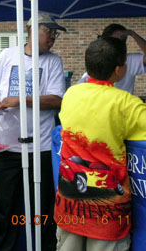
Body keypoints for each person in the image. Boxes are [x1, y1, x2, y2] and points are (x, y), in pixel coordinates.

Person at [0, 12, 66, 251]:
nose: (53, 37)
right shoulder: (7, 54)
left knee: (42, 210)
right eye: (49, 30)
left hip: (39, 147)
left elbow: (57, 100)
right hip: (6, 146)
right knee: (5, 209)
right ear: (32, 30)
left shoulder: (53, 61)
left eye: (55, 33)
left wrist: (21, 99)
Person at [55, 37, 146, 251]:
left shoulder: (70, 94)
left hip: (69, 207)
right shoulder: (127, 103)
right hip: (109, 213)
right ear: (118, 70)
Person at [78, 23, 146, 94]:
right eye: (113, 41)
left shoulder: (129, 60)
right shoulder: (84, 81)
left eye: (121, 41)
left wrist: (132, 34)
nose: (118, 45)